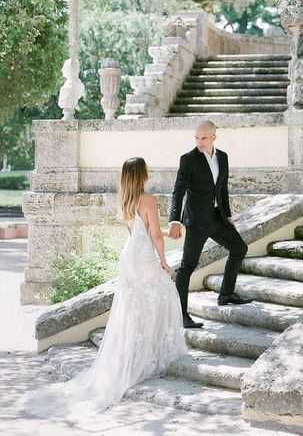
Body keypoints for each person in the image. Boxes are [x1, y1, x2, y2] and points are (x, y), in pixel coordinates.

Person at [20, 157, 187, 419]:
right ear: (142, 173)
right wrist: (164, 261)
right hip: (143, 257)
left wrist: (165, 235)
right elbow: (153, 235)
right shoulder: (148, 199)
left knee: (134, 305)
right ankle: (149, 353)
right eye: (146, 169)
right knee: (162, 294)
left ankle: (135, 351)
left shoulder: (125, 198)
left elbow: (139, 233)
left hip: (130, 255)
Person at [169, 120, 252, 329]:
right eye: (196, 138)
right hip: (197, 221)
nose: (199, 142)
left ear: (214, 136)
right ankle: (181, 315)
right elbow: (178, 190)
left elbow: (222, 189)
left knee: (239, 248)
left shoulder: (222, 157)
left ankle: (226, 294)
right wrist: (175, 220)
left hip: (218, 218)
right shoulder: (188, 159)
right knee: (187, 266)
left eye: (204, 138)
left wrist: (229, 216)